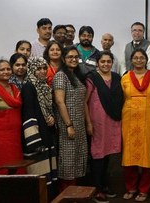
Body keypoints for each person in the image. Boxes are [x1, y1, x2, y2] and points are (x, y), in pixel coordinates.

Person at [121, 49, 150, 202]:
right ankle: (131, 188)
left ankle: (144, 190)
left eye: (142, 58)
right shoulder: (125, 78)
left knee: (147, 154)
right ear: (131, 60)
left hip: (148, 119)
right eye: (136, 58)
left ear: (146, 60)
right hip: (129, 119)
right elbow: (121, 98)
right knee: (129, 155)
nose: (139, 60)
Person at [84, 51, 123, 202]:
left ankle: (103, 185)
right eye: (103, 61)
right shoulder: (92, 78)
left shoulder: (117, 78)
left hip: (112, 121)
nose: (106, 64)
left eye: (108, 61)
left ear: (112, 62)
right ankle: (97, 189)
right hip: (97, 123)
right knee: (97, 155)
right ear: (98, 63)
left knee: (107, 154)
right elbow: (84, 102)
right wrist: (88, 122)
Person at [21, 57, 58, 199]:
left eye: (44, 68)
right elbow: (28, 113)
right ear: (32, 70)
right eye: (39, 68)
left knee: (49, 175)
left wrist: (51, 118)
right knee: (40, 176)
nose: (42, 71)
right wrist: (35, 142)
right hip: (37, 139)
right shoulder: (29, 86)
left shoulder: (44, 86)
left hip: (47, 134)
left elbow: (49, 109)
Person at [53, 46, 88, 192]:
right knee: (68, 162)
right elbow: (60, 101)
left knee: (77, 160)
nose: (73, 60)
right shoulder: (61, 76)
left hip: (79, 124)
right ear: (63, 59)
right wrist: (68, 125)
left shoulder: (75, 75)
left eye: (75, 57)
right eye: (70, 57)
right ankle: (65, 195)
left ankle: (75, 194)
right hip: (68, 124)